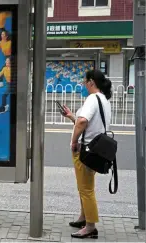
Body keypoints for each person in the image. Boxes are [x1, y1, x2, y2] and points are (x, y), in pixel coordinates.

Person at [61, 69, 112, 239]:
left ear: (91, 82)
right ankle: (84, 218)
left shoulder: (92, 99)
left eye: (85, 81)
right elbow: (86, 122)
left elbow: (83, 122)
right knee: (84, 187)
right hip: (95, 149)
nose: (84, 84)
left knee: (86, 189)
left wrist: (74, 141)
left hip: (85, 151)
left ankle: (90, 227)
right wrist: (71, 116)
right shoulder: (103, 99)